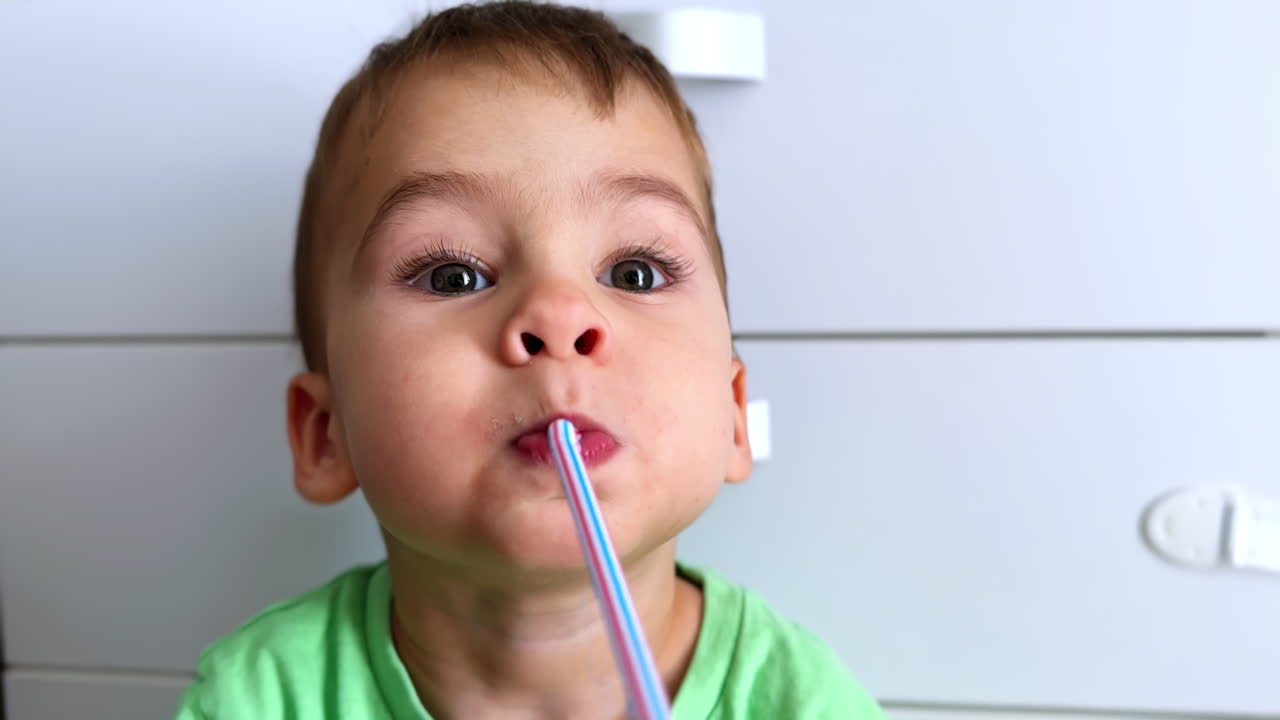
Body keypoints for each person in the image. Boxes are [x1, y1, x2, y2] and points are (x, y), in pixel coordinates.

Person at [175, 2, 886, 717]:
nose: (559, 317)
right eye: (453, 276)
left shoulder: (803, 702)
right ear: (325, 435)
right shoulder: (257, 697)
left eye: (635, 272)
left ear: (732, 416)